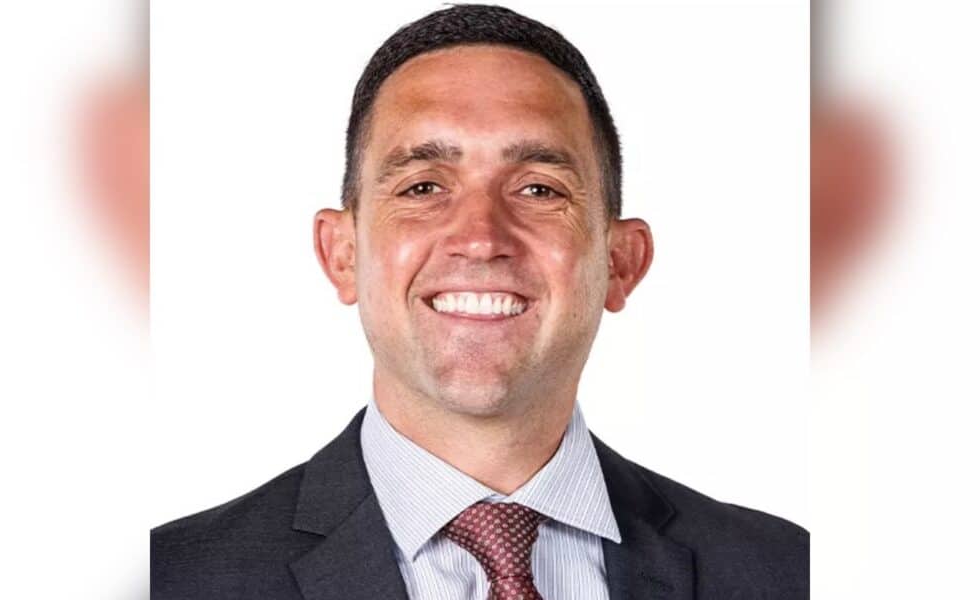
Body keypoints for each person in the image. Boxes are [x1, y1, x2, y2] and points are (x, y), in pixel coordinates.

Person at [151, 5, 808, 599]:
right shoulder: (170, 581)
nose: (480, 238)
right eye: (423, 187)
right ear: (342, 253)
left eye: (539, 189)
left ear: (620, 262)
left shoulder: (789, 573)